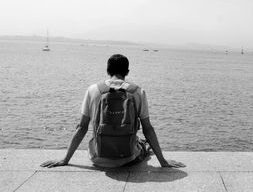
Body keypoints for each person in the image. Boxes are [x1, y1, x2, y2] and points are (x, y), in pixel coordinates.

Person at [41, 54, 185, 169]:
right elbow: (148, 128)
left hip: (98, 158)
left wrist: (65, 160)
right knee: (142, 143)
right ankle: (142, 145)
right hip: (128, 158)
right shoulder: (137, 91)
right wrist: (163, 162)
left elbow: (82, 127)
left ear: (108, 71)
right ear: (127, 72)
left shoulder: (93, 90)